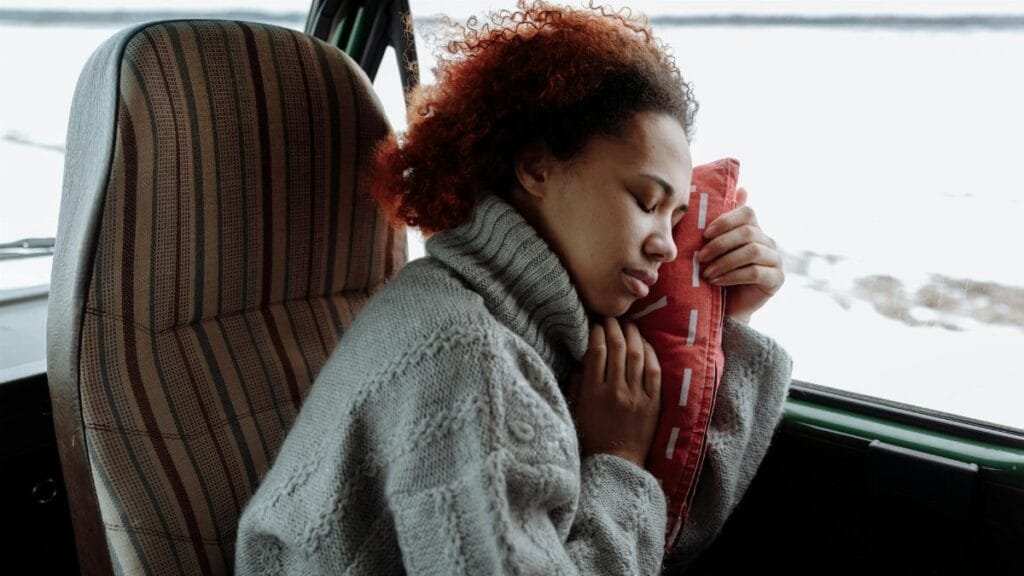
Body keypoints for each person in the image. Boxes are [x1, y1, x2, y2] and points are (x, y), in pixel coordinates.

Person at [235, 1, 792, 574]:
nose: (667, 247)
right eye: (647, 203)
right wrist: (619, 460)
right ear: (536, 169)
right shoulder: (465, 354)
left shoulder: (530, 323)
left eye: (675, 220)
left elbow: (671, 535)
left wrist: (728, 319)